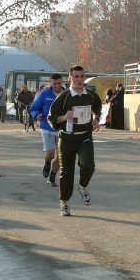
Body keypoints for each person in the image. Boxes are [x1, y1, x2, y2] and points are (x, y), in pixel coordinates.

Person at [48, 65, 102, 216]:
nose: (79, 79)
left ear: (84, 77)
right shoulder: (63, 98)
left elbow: (97, 106)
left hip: (85, 136)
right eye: (76, 77)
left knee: (89, 166)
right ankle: (64, 202)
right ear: (70, 79)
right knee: (66, 172)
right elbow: (52, 118)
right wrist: (65, 117)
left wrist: (96, 119)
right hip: (67, 138)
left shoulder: (90, 95)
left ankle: (83, 186)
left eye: (82, 76)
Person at [30, 73, 64, 187]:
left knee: (61, 156)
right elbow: (34, 108)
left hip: (62, 129)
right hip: (46, 127)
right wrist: (37, 115)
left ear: (62, 82)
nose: (57, 86)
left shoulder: (66, 94)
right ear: (51, 83)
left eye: (59, 83)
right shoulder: (44, 94)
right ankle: (47, 163)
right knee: (50, 153)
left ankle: (52, 176)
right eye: (54, 83)